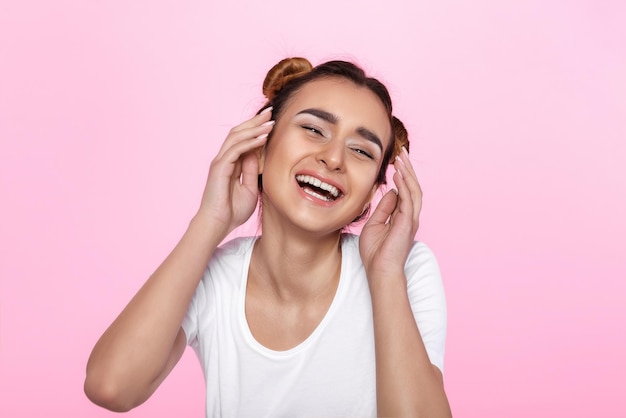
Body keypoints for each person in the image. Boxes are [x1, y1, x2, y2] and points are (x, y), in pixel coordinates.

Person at [84, 57, 452, 417]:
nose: (334, 158)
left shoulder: (405, 269)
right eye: (313, 129)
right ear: (260, 149)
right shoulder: (215, 277)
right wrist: (211, 220)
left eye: (361, 150)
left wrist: (386, 274)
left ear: (371, 195)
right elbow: (112, 387)